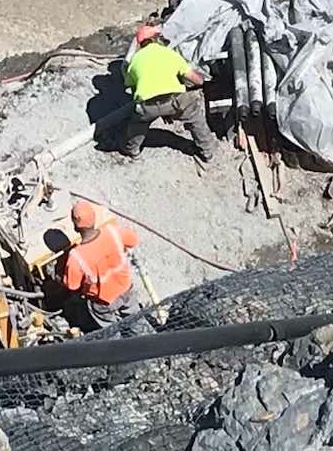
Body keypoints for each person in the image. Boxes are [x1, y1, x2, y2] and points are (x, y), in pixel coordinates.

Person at [120, 23, 216, 164]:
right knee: (195, 118)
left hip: (148, 105)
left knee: (138, 124)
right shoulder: (169, 53)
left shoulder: (135, 60)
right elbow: (196, 80)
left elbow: (129, 84)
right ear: (155, 39)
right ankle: (207, 152)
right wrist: (201, 80)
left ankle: (132, 150)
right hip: (174, 100)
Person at [60, 199, 142, 331]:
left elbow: (72, 285)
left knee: (111, 330)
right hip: (126, 291)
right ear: (94, 219)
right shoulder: (113, 232)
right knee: (137, 320)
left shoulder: (76, 256)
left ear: (75, 226)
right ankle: (150, 343)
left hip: (103, 303)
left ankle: (120, 348)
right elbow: (133, 239)